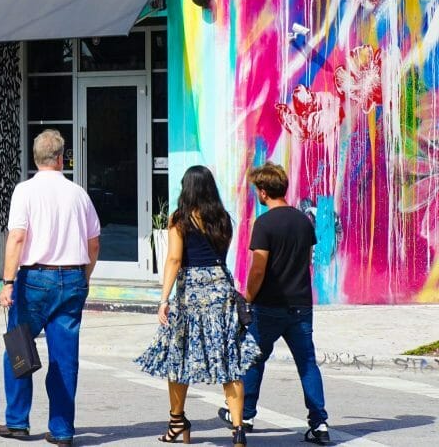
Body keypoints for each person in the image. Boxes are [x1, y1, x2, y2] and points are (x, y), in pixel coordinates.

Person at [136, 165, 260, 446]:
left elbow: (174, 260)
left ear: (187, 188)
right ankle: (238, 429)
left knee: (178, 358)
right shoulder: (223, 219)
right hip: (220, 290)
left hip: (191, 293)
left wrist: (163, 299)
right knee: (230, 361)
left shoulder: (179, 219)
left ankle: (177, 421)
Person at [0, 129, 100, 447]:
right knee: (65, 357)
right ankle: (62, 429)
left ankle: (17, 421)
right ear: (61, 158)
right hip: (71, 278)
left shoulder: (24, 191)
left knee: (19, 346)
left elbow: (16, 237)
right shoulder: (78, 193)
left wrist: (8, 282)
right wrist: (85, 276)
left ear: (36, 157)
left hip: (34, 280)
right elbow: (93, 243)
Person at [221, 162, 330, 445]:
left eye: (257, 189)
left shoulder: (265, 223)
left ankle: (244, 415)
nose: (256, 193)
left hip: (268, 306)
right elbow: (306, 261)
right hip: (301, 306)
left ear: (264, 191)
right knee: (307, 363)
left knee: (254, 359)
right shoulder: (303, 221)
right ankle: (319, 424)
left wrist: (248, 297)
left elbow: (258, 269)